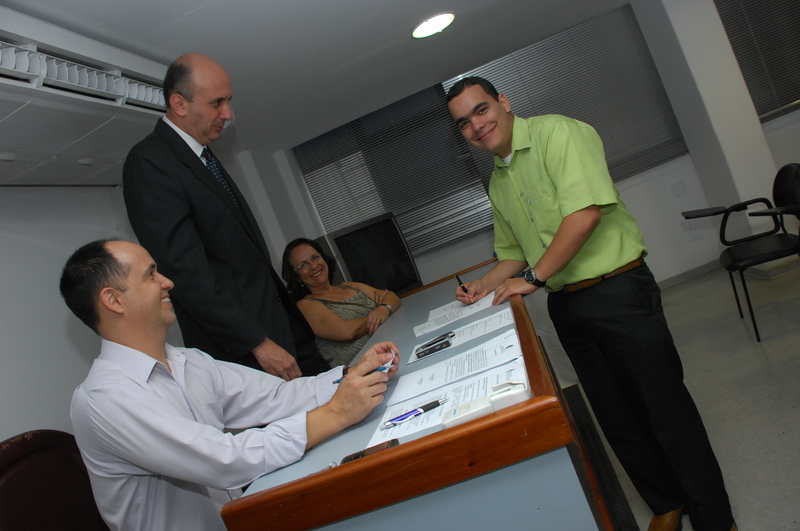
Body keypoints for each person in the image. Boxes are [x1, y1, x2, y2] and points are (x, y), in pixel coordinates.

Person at [446, 77, 736, 531]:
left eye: (481, 110)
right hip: (567, 304)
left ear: (503, 102)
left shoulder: (558, 133)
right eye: (464, 122)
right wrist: (482, 285)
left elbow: (583, 216)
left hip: (618, 291)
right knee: (615, 416)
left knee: (666, 410)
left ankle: (715, 520)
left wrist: (532, 278)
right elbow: (514, 252)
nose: (476, 125)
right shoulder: (499, 181)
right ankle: (666, 504)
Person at [60, 239, 398, 531]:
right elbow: (224, 460)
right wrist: (336, 413)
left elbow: (277, 397)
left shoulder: (190, 361)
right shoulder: (105, 399)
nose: (167, 282)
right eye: (150, 275)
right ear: (114, 300)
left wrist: (352, 375)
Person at [123, 52, 329, 380]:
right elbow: (188, 275)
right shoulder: (150, 163)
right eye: (217, 103)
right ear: (179, 104)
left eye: (228, 101)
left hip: (281, 325)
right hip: (250, 350)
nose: (228, 114)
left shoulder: (202, 155)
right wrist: (257, 342)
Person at [281, 238, 401, 368]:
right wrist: (380, 313)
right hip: (363, 368)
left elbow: (392, 297)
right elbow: (348, 332)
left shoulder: (349, 286)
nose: (313, 266)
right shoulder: (305, 306)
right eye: (303, 265)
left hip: (392, 347)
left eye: (315, 257)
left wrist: (383, 309)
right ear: (296, 277)